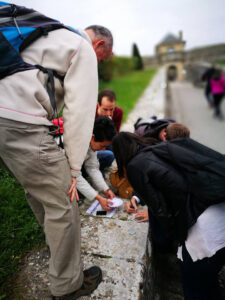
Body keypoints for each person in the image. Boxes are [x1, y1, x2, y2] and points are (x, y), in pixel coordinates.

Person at [0, 17, 113, 299]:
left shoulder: (47, 34)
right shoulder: (82, 48)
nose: (99, 64)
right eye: (104, 58)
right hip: (19, 120)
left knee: (37, 190)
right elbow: (79, 113)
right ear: (98, 45)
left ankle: (55, 246)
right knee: (64, 201)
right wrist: (73, 172)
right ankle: (67, 284)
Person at [112, 132, 225, 299]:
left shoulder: (134, 166)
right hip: (218, 210)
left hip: (205, 230)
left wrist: (176, 239)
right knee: (208, 279)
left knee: (194, 286)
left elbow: (161, 211)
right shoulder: (158, 149)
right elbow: (166, 181)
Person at [126, 122, 190, 222]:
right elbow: (151, 181)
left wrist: (153, 215)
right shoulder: (165, 153)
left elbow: (177, 200)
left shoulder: (182, 164)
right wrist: (136, 198)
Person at [76, 117, 116, 210]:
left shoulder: (91, 142)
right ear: (93, 137)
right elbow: (75, 176)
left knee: (106, 158)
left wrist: (106, 189)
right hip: (57, 166)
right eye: (102, 146)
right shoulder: (77, 145)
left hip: (77, 165)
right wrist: (98, 197)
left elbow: (92, 167)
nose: (103, 149)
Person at [95, 89, 123, 174]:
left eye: (111, 109)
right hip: (93, 144)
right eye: (105, 109)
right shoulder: (90, 112)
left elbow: (115, 136)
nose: (108, 113)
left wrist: (110, 124)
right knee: (108, 155)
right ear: (98, 105)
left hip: (107, 142)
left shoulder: (118, 113)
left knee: (119, 147)